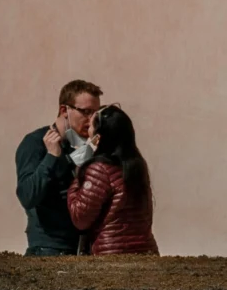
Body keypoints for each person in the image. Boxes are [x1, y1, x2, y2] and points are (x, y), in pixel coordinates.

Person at [14, 79, 100, 256]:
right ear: (64, 110)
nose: (92, 120)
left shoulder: (88, 146)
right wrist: (52, 157)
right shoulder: (35, 143)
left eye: (96, 113)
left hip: (84, 250)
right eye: (86, 112)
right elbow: (28, 196)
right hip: (49, 249)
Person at [66, 103, 158, 255]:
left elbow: (80, 218)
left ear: (97, 138)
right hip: (145, 252)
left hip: (112, 255)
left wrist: (81, 170)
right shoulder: (137, 165)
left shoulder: (99, 169)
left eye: (91, 126)